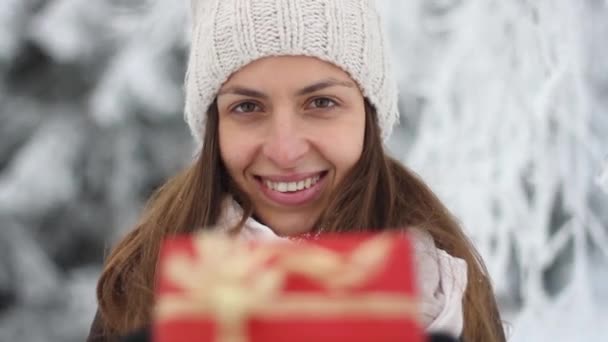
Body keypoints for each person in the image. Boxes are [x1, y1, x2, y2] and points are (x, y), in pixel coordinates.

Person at [87, 0, 506, 341]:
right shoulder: (144, 279)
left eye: (321, 103)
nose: (285, 151)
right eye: (247, 107)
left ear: (369, 117)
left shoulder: (446, 284)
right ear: (215, 126)